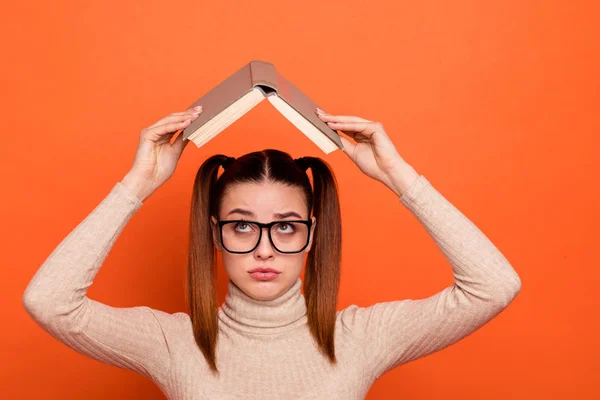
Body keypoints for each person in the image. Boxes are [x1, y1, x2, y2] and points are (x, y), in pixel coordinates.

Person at [22, 105, 522, 399]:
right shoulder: (173, 343)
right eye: (243, 226)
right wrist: (137, 184)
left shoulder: (363, 338)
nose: (264, 250)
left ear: (313, 231)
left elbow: (493, 287)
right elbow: (50, 302)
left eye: (285, 227)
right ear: (216, 232)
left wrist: (398, 176)